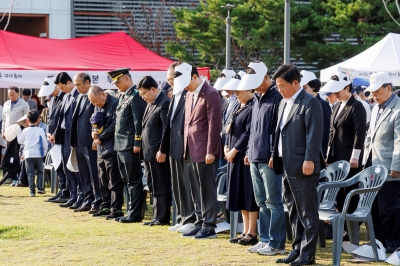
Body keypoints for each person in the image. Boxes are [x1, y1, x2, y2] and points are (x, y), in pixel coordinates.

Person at [272, 65, 324, 266]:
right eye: (277, 86)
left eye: (282, 86)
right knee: (293, 210)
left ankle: (308, 254)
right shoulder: (284, 103)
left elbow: (314, 134)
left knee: (307, 211)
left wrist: (310, 159)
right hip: (286, 164)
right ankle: (297, 249)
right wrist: (274, 154)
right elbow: (279, 133)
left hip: (304, 165)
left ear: (296, 83)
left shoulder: (310, 103)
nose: (279, 90)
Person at [238, 62, 286, 254]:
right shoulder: (257, 98)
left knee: (274, 202)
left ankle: (276, 243)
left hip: (269, 159)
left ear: (267, 77)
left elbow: (279, 130)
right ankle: (265, 239)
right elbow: (253, 130)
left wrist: (274, 154)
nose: (255, 87)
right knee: (261, 201)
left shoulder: (277, 98)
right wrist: (249, 150)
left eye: (257, 82)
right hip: (255, 157)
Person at [174, 62, 222, 239]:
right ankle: (200, 221)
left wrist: (211, 150)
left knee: (207, 189)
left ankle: (209, 225)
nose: (185, 86)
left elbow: (214, 124)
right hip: (190, 148)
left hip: (204, 150)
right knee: (195, 188)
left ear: (195, 76)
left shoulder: (211, 94)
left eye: (187, 82)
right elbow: (187, 123)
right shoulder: (188, 95)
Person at [362, 72, 400, 253]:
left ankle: (394, 242)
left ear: (389, 88)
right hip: (373, 167)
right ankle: (378, 241)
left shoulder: (398, 109)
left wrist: (396, 166)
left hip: (390, 168)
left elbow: (399, 141)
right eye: (371, 92)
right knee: (374, 206)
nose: (373, 96)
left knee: (389, 208)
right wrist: (364, 162)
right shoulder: (375, 108)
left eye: (377, 92)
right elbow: (369, 137)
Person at [320, 71, 366, 215]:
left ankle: (350, 224)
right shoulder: (337, 106)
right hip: (336, 154)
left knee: (349, 189)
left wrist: (355, 156)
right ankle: (341, 221)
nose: (335, 93)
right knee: (337, 189)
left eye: (338, 90)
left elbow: (360, 133)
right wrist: (328, 154)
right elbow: (332, 132)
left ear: (347, 88)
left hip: (349, 155)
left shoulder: (357, 106)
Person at [160, 62, 197, 233]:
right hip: (173, 146)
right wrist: (163, 148)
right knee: (177, 184)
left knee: (187, 183)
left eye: (173, 79)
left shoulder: (188, 94)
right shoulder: (174, 95)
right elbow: (168, 124)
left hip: (186, 146)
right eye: (168, 80)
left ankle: (190, 218)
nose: (171, 83)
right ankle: (182, 217)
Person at [223, 73, 259, 246]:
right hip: (233, 157)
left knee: (248, 194)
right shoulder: (239, 105)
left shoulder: (253, 106)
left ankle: (252, 232)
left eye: (239, 91)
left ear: (250, 89)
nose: (236, 94)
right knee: (240, 195)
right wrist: (226, 147)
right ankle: (244, 230)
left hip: (244, 156)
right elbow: (229, 129)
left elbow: (248, 132)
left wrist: (235, 150)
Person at [108, 68, 146, 223]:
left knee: (133, 180)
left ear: (126, 79)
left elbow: (138, 122)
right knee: (126, 180)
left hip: (130, 145)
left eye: (118, 82)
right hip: (120, 145)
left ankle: (135, 213)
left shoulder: (136, 96)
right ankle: (130, 210)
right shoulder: (124, 96)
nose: (116, 85)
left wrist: (137, 142)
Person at [138, 76, 172, 226]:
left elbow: (166, 130)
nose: (143, 97)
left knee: (161, 185)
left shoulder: (164, 103)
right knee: (153, 185)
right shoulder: (151, 103)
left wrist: (162, 150)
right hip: (148, 153)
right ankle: (156, 215)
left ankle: (162, 217)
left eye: (144, 93)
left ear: (153, 89)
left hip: (158, 153)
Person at [88, 86, 125, 220]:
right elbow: (94, 122)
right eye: (92, 102)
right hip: (100, 149)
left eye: (96, 101)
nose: (95, 104)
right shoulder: (96, 106)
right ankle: (105, 205)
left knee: (114, 181)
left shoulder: (115, 103)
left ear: (103, 94)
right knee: (102, 179)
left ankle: (116, 209)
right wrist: (94, 133)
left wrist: (101, 136)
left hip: (112, 147)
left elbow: (116, 124)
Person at [49, 72, 81, 209]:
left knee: (75, 169)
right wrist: (55, 134)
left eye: (62, 87)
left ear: (69, 83)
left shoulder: (77, 96)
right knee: (67, 169)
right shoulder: (67, 97)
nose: (61, 90)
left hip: (73, 138)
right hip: (64, 138)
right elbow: (61, 119)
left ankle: (79, 197)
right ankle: (73, 196)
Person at [71, 72, 102, 213]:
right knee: (83, 173)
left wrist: (96, 138)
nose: (76, 87)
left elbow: (97, 119)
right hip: (79, 141)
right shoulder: (79, 97)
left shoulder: (94, 96)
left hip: (91, 142)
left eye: (78, 84)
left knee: (94, 174)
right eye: (75, 84)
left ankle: (97, 200)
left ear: (87, 82)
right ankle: (87, 198)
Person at [39, 77, 70, 203]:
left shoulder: (64, 98)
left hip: (61, 139)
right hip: (53, 139)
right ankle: (62, 190)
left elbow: (62, 120)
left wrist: (55, 134)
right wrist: (49, 133)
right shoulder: (55, 99)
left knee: (64, 167)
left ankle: (66, 192)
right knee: (58, 167)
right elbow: (51, 119)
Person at [2, 86, 30, 186]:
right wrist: (3, 132)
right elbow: (4, 120)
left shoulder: (24, 104)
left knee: (17, 155)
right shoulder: (6, 104)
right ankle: (9, 177)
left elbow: (27, 119)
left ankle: (17, 178)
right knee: (9, 155)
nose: (11, 97)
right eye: (9, 95)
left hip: (19, 133)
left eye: (13, 95)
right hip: (8, 133)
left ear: (18, 93)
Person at [17, 110, 48, 196]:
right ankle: (40, 188)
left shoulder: (25, 131)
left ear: (27, 120)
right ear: (38, 119)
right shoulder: (40, 130)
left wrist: (19, 131)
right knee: (40, 172)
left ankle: (32, 191)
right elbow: (44, 143)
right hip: (38, 154)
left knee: (30, 173)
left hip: (28, 154)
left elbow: (20, 141)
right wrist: (44, 152)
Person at [301, 70, 331, 159]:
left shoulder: (323, 104)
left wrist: (323, 154)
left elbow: (325, 131)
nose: (301, 91)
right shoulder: (301, 103)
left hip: (317, 153)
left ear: (313, 87)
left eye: (304, 88)